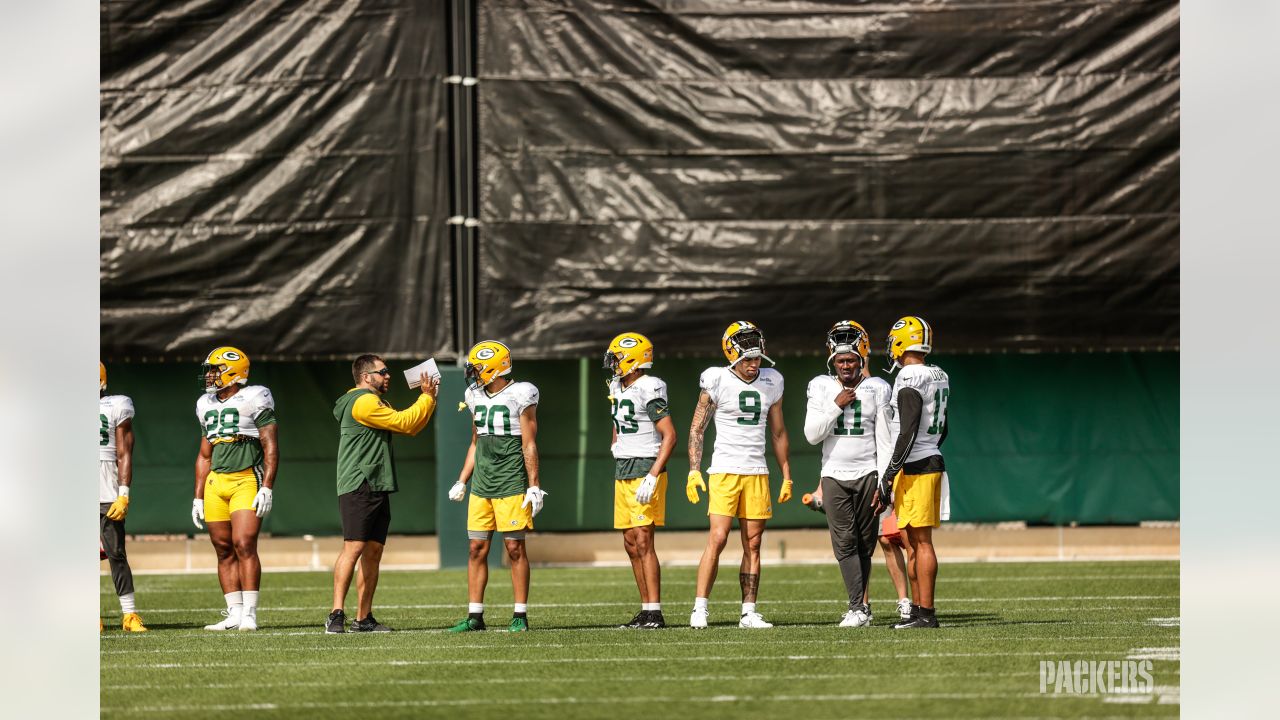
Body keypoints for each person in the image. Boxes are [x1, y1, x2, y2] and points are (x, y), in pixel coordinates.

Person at [687, 321, 793, 629]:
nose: (753, 365)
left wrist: (786, 473)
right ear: (732, 354)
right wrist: (694, 471)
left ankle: (748, 611)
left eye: (757, 358)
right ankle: (700, 607)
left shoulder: (772, 381)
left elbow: (778, 431)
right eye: (747, 359)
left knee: (754, 544)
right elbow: (697, 427)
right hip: (724, 470)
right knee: (718, 538)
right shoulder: (717, 379)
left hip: (756, 471)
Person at [326, 354, 439, 634]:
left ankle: (363, 618)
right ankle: (335, 614)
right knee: (353, 547)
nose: (388, 376)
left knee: (373, 552)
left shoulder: (374, 401)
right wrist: (426, 397)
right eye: (383, 371)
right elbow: (404, 422)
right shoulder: (364, 401)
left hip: (375, 483)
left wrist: (429, 400)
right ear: (367, 377)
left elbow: (411, 426)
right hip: (360, 483)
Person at [447, 341, 546, 632]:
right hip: (482, 484)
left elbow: (529, 443)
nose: (473, 374)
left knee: (514, 548)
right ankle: (475, 616)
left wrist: (534, 485)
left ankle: (520, 614)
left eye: (477, 368)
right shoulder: (474, 395)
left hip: (511, 481)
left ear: (494, 368)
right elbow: (475, 442)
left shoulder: (520, 393)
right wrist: (461, 479)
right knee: (476, 548)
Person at [802, 321, 894, 627]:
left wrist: (885, 482)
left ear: (862, 359)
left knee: (865, 543)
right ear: (832, 360)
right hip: (833, 474)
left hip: (868, 471)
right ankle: (857, 606)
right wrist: (835, 407)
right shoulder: (821, 386)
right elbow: (811, 435)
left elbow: (884, 439)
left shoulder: (877, 387)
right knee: (844, 544)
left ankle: (860, 608)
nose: (846, 366)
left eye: (851, 360)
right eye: (841, 360)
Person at [189, 347, 278, 632]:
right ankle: (234, 612)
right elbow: (204, 455)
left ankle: (250, 613)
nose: (210, 376)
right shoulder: (204, 403)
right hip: (217, 481)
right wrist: (198, 496)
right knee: (223, 549)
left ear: (232, 371)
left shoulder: (254, 396)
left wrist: (267, 487)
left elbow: (270, 446)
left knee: (244, 544)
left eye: (214, 370)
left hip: (246, 479)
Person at [878, 316, 951, 629]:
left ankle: (926, 613)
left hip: (917, 465)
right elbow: (943, 427)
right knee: (914, 540)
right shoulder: (939, 373)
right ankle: (920, 611)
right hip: (930, 458)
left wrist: (890, 472)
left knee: (921, 543)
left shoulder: (909, 376)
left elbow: (906, 431)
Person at [603, 332, 677, 629]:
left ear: (634, 360)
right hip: (623, 467)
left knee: (644, 539)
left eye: (618, 358)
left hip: (646, 466)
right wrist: (615, 444)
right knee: (630, 542)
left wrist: (653, 475)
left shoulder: (650, 386)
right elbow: (617, 423)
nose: (613, 364)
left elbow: (669, 435)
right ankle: (646, 610)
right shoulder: (616, 385)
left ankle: (655, 612)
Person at [99, 362, 146, 632]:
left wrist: (123, 493)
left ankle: (129, 615)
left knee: (116, 552)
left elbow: (124, 452)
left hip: (106, 484)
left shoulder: (117, 405)